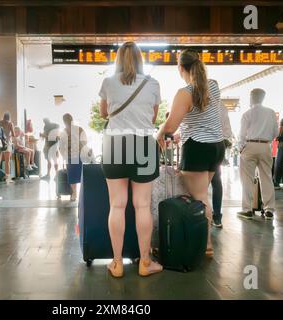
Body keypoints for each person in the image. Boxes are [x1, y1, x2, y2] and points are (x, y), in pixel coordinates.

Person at [100, 41, 163, 278]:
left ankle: (117, 264)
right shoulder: (153, 83)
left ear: (118, 59)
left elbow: (104, 113)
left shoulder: (108, 82)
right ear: (140, 59)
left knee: (117, 204)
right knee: (142, 205)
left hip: (114, 142)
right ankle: (145, 263)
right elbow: (153, 115)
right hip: (144, 143)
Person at [157, 49, 225, 258]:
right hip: (216, 147)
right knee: (204, 194)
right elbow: (201, 118)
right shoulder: (212, 85)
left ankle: (206, 244)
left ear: (180, 68)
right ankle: (204, 240)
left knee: (200, 196)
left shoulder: (184, 92)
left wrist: (160, 132)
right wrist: (182, 133)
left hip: (197, 148)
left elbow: (170, 124)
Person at [237, 89, 278, 220]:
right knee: (267, 177)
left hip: (250, 145)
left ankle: (247, 209)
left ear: (251, 97)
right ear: (263, 97)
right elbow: (275, 133)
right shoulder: (271, 113)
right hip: (266, 146)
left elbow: (242, 135)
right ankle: (269, 210)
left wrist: (241, 148)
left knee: (247, 179)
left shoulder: (247, 114)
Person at [211, 97, 233, 228]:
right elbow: (227, 130)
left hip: (201, 146)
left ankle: (197, 215)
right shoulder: (222, 107)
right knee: (216, 182)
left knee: (199, 185)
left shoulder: (200, 101)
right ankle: (217, 217)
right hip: (217, 146)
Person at [58, 113, 87, 201]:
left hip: (77, 155)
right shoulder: (64, 132)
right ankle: (74, 193)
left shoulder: (79, 129)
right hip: (70, 156)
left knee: (78, 175)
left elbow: (84, 141)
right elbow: (61, 146)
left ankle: (76, 193)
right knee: (72, 176)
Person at [0, 112, 16, 182]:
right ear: (9, 117)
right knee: (7, 161)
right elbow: (13, 134)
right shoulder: (10, 123)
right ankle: (7, 178)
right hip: (7, 143)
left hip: (0, 143)